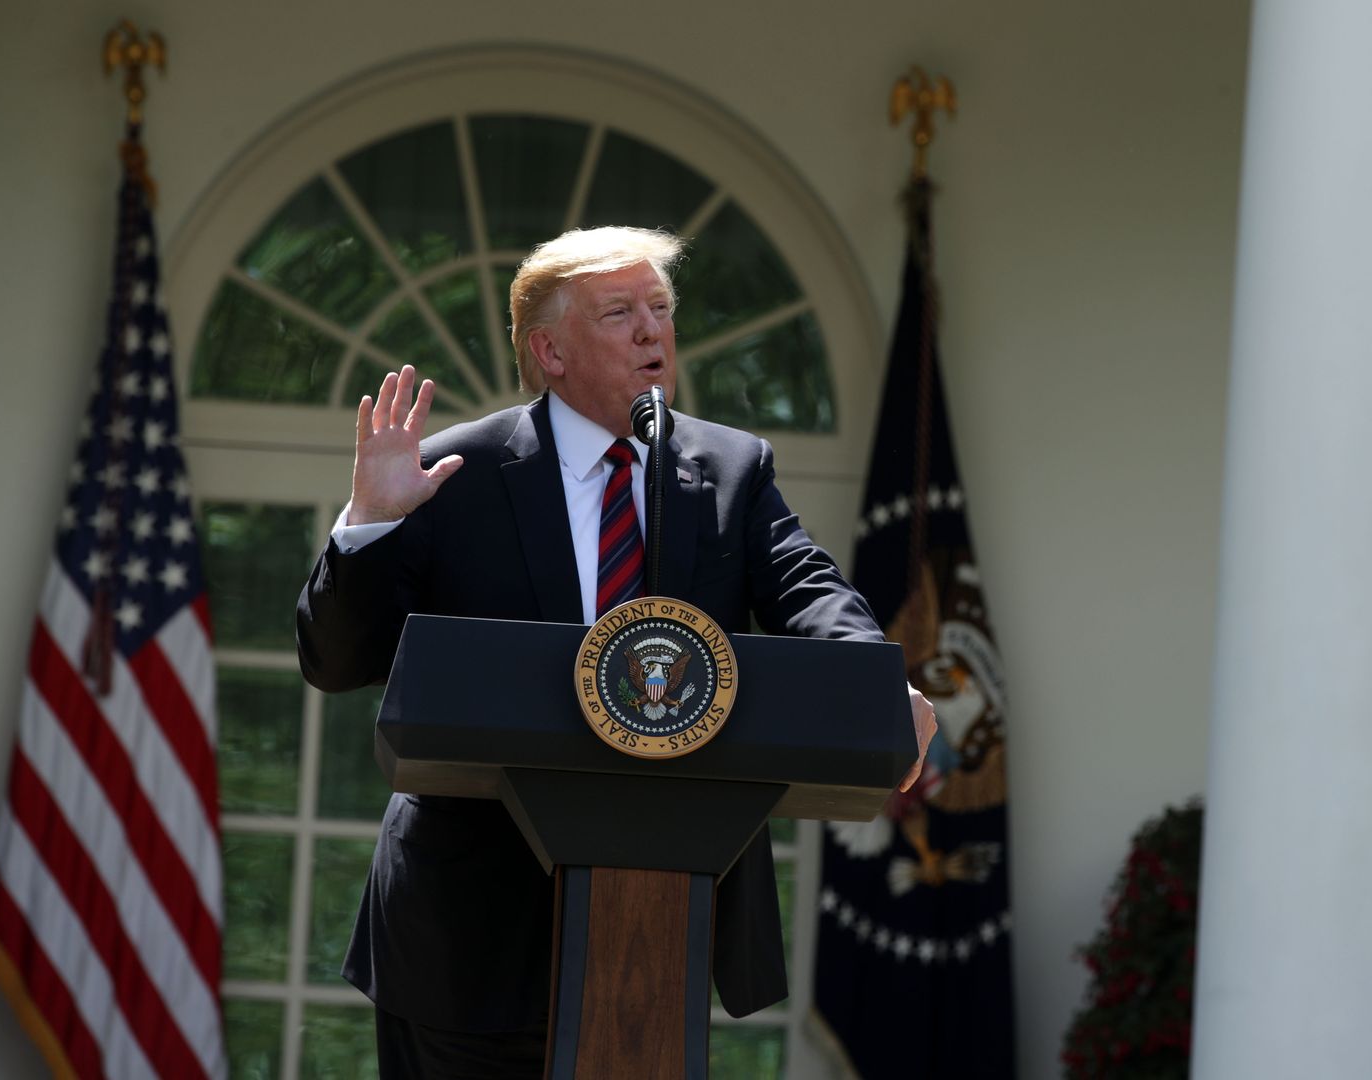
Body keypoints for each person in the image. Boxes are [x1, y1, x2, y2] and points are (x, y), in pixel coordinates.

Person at [295, 226, 935, 1077]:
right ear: (549, 350)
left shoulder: (729, 469)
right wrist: (370, 520)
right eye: (621, 312)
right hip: (466, 938)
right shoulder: (454, 473)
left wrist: (875, 685)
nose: (652, 331)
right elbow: (336, 664)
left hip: (659, 927)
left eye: (661, 309)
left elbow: (810, 589)